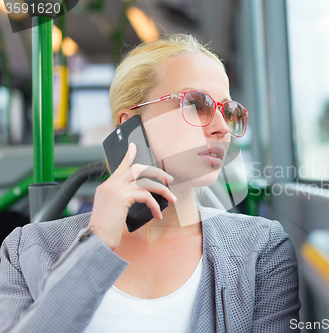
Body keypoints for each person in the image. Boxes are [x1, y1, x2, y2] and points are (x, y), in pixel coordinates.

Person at [0, 33, 301, 332]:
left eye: (228, 111)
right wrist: (98, 242)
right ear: (129, 124)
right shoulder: (25, 250)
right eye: (196, 104)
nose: (222, 128)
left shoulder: (260, 248)